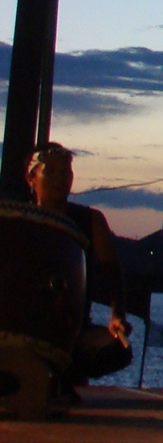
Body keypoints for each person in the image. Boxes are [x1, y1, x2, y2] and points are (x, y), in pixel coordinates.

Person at [26, 143, 132, 385]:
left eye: (65, 173)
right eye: (50, 172)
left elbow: (112, 273)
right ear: (31, 178)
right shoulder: (19, 220)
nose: (59, 180)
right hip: (25, 327)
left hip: (71, 330)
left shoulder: (90, 221)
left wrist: (117, 314)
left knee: (117, 351)